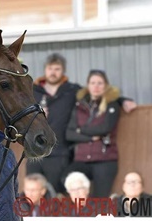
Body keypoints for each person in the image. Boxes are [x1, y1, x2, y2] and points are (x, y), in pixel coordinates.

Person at [26, 53, 137, 194]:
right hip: (34, 150)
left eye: (57, 69)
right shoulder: (33, 90)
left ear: (63, 70)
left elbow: (98, 93)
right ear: (45, 69)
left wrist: (123, 100)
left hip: (60, 151)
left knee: (56, 195)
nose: (53, 72)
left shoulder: (73, 90)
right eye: (50, 68)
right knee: (31, 192)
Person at [63, 69, 121, 198]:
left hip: (104, 159)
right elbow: (69, 134)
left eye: (100, 83)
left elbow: (105, 128)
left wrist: (81, 130)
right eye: (93, 82)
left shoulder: (112, 104)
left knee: (100, 200)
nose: (96, 86)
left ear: (106, 85)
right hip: (81, 159)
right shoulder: (80, 106)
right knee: (66, 181)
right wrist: (91, 137)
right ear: (87, 85)